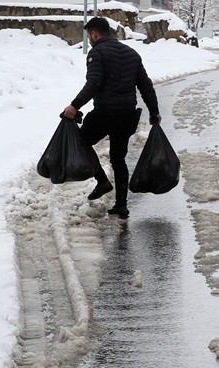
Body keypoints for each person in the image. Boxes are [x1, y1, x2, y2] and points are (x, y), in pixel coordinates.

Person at [62, 16, 161, 219]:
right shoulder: (132, 53)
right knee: (118, 158)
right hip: (127, 114)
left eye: (89, 36)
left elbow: (94, 83)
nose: (89, 40)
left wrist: (74, 105)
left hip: (105, 112)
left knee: (81, 143)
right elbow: (145, 85)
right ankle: (121, 205)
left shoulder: (97, 52)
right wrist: (154, 111)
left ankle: (102, 181)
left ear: (94, 34)